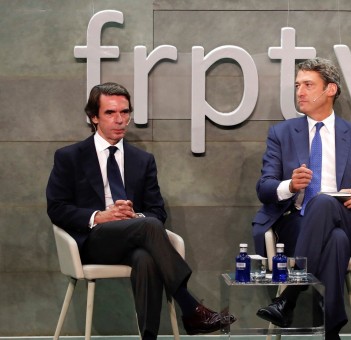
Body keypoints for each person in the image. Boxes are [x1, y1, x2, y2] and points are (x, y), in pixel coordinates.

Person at [46, 82, 236, 339]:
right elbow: (57, 208)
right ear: (93, 117)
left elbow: (156, 211)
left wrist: (133, 216)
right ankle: (190, 307)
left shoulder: (142, 160)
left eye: (125, 112)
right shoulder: (70, 156)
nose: (120, 120)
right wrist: (100, 216)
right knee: (148, 227)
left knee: (146, 258)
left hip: (136, 237)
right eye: (111, 113)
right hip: (92, 240)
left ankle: (149, 337)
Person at [252, 58, 351, 340]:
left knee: (326, 203)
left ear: (330, 90)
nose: (299, 92)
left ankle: (288, 298)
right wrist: (290, 185)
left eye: (308, 85)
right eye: (297, 85)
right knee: (335, 240)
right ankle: (333, 329)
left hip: (349, 220)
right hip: (296, 226)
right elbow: (264, 188)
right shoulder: (281, 133)